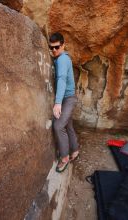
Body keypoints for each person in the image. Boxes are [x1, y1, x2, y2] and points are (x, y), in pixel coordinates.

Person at [49, 32, 79, 173]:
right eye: (51, 48)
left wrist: (58, 103)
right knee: (68, 126)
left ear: (63, 45)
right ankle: (75, 151)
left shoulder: (62, 59)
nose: (54, 50)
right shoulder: (61, 58)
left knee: (58, 125)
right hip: (70, 97)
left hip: (68, 99)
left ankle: (65, 158)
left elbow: (61, 79)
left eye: (57, 47)